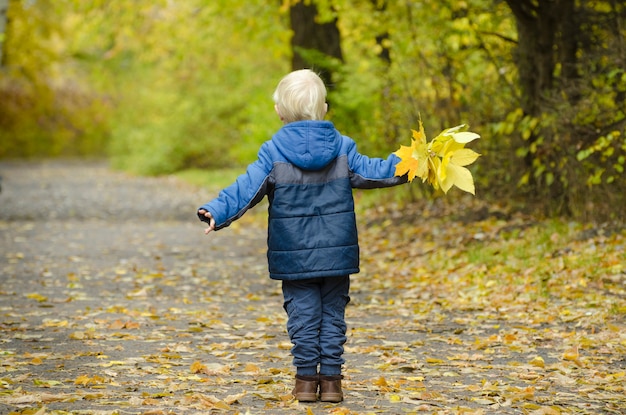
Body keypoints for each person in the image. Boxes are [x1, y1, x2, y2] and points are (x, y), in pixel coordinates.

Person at [197, 69, 407, 403]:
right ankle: (333, 383)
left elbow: (246, 188)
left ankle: (307, 382)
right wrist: (412, 162)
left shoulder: (273, 152)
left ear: (280, 112)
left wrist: (217, 210)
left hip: (293, 254)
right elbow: (377, 171)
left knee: (303, 316)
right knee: (333, 315)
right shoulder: (342, 148)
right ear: (323, 108)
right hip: (336, 255)